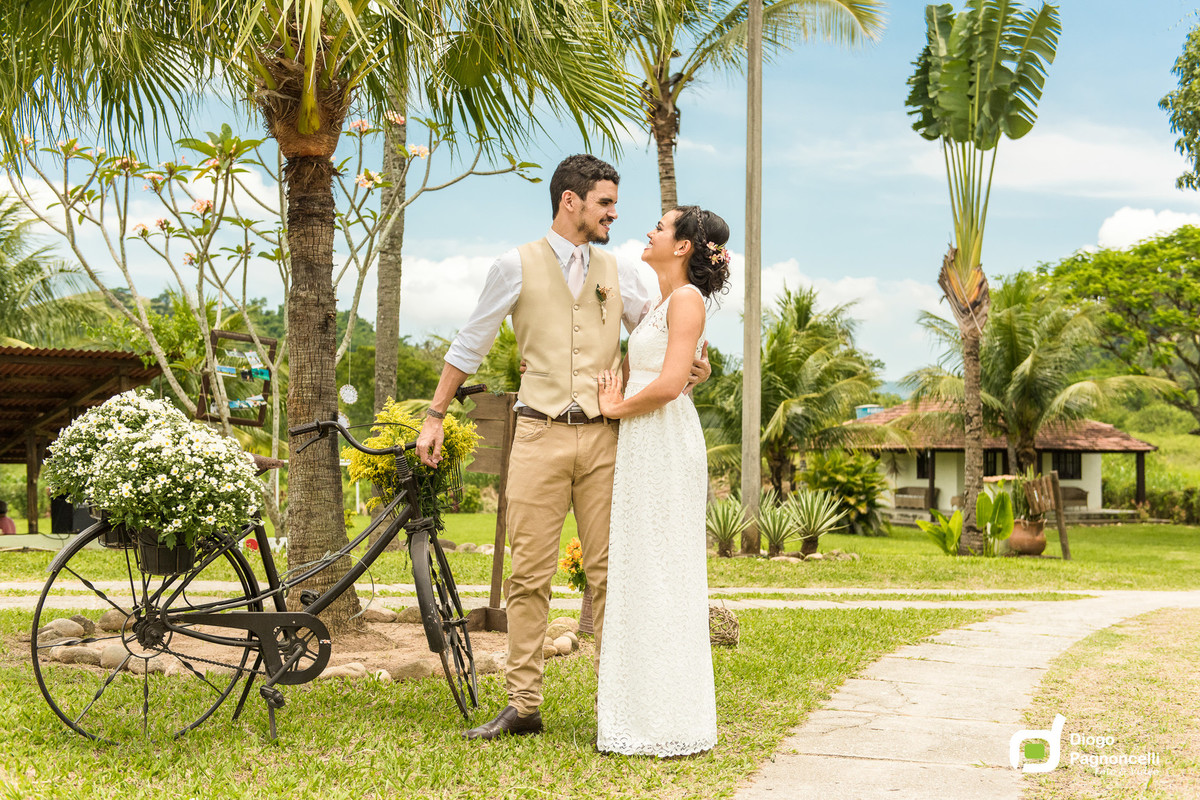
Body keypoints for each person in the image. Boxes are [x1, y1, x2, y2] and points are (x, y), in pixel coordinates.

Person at [415, 155, 711, 740]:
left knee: (609, 576)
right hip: (537, 434)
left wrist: (695, 363)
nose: (614, 213)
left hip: (606, 440)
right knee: (527, 574)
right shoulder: (514, 265)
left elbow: (660, 331)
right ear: (570, 201)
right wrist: (434, 415)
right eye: (605, 202)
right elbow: (470, 341)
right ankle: (524, 705)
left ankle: (616, 705)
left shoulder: (618, 268)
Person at [595, 205, 732, 756]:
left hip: (662, 439)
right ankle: (642, 709)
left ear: (682, 247)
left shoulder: (687, 300)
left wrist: (614, 407)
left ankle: (671, 717)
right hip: (645, 440)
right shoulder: (660, 301)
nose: (650, 230)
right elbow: (678, 369)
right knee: (642, 567)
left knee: (663, 568)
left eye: (661, 225)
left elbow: (673, 383)